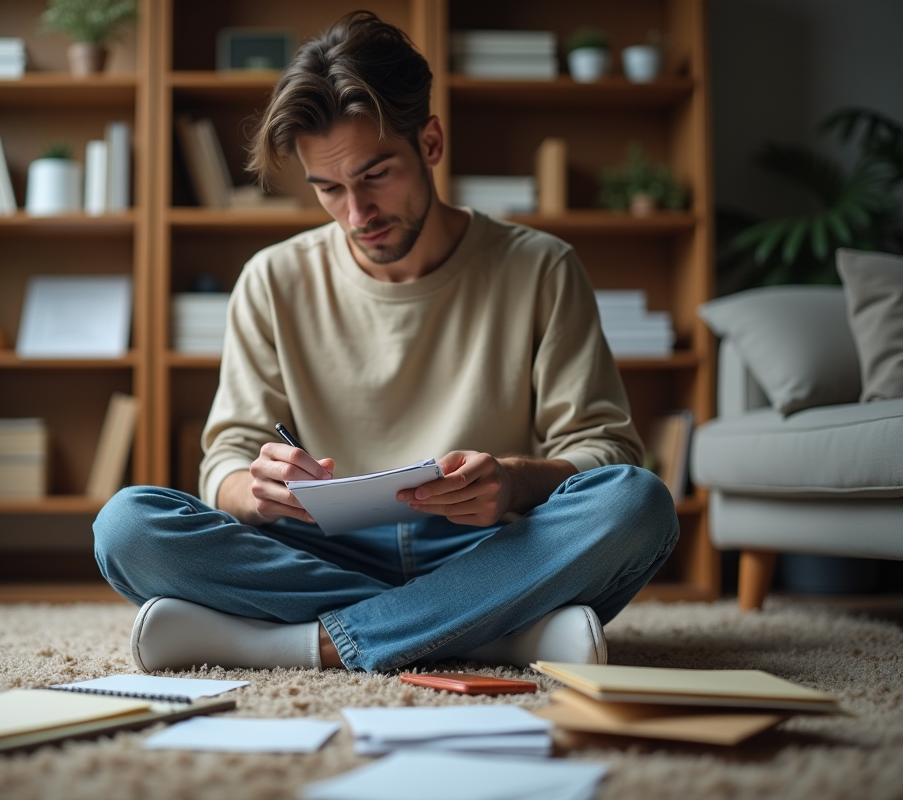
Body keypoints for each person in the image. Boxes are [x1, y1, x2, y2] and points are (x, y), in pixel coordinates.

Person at [94, 11, 679, 674]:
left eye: (375, 176)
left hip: (486, 547)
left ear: (429, 142)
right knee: (126, 527)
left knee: (638, 504)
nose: (356, 215)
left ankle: (307, 642)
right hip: (321, 550)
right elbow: (223, 459)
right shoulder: (272, 279)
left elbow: (606, 453)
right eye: (328, 190)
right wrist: (250, 488)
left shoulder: (541, 267)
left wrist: (514, 483)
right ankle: (497, 633)